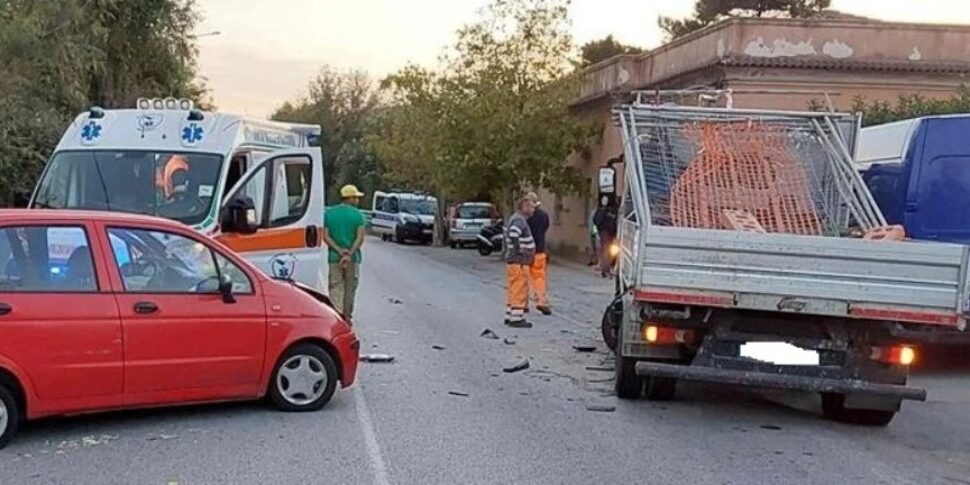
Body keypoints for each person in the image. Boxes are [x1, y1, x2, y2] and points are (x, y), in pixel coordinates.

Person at [324, 185, 367, 323]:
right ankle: (347, 317)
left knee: (336, 286)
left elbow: (326, 236)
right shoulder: (358, 215)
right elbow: (360, 238)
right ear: (350, 198)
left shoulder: (329, 214)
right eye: (356, 197)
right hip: (353, 259)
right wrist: (349, 254)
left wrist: (338, 250)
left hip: (334, 258)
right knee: (350, 288)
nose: (357, 200)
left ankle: (336, 316)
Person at [504, 195, 536, 328]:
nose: (533, 210)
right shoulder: (519, 220)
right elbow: (513, 234)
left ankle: (510, 313)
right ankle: (516, 318)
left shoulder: (515, 218)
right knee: (519, 288)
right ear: (524, 207)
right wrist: (520, 250)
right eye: (531, 207)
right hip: (519, 261)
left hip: (514, 261)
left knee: (513, 289)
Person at [525, 192, 551, 315]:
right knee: (539, 278)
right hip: (539, 250)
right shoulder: (544, 215)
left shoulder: (525, 216)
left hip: (525, 251)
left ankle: (522, 303)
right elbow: (546, 227)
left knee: (524, 278)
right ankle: (541, 301)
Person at [593, 197, 618, 278]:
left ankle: (607, 268)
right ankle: (605, 270)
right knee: (606, 251)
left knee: (610, 251)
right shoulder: (602, 210)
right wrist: (601, 229)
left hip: (611, 233)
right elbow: (596, 220)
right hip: (606, 233)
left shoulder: (613, 211)